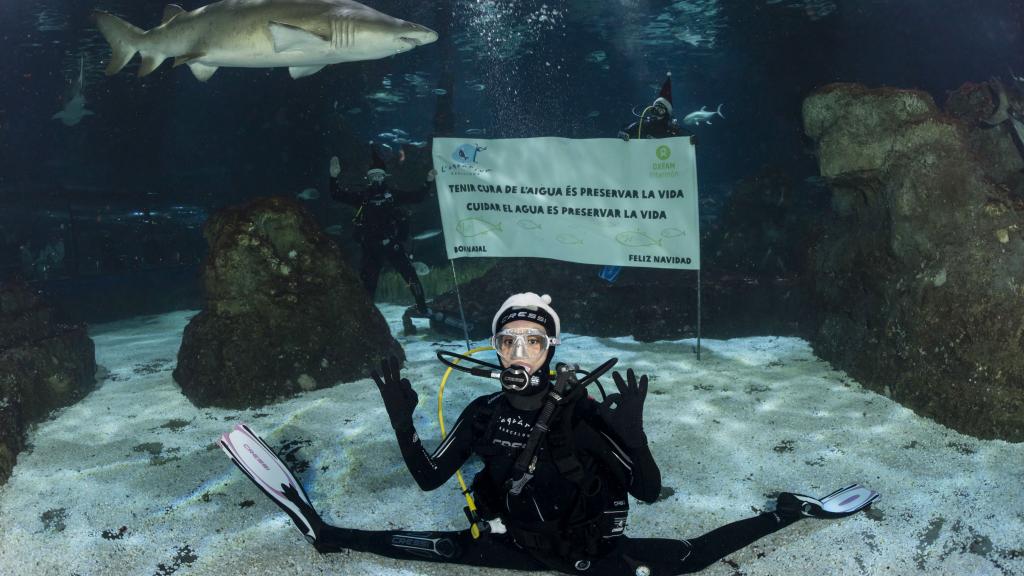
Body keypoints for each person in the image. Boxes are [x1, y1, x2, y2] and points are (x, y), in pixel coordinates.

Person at [221, 292, 880, 575]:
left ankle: (793, 511)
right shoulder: (481, 412)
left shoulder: (579, 410)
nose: (517, 351)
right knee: (383, 544)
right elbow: (427, 477)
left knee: (692, 559)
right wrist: (401, 419)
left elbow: (648, 493)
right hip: (514, 544)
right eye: (507, 339)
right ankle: (327, 535)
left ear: (550, 348)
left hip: (590, 553)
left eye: (531, 341)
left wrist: (633, 433)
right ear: (494, 344)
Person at [330, 142, 437, 334]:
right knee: (368, 285)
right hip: (371, 247)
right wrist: (333, 177)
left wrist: (428, 181)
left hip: (392, 244)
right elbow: (337, 194)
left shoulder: (392, 195)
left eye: (380, 175)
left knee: (411, 277)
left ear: (385, 176)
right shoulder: (363, 196)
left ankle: (422, 307)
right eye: (373, 176)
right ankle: (366, 316)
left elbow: (417, 197)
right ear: (368, 179)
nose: (377, 179)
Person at [618, 72, 688, 141]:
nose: (657, 110)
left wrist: (692, 140)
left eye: (661, 109)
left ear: (667, 112)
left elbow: (687, 137)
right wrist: (622, 134)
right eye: (656, 107)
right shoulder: (645, 124)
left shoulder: (672, 128)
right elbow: (626, 130)